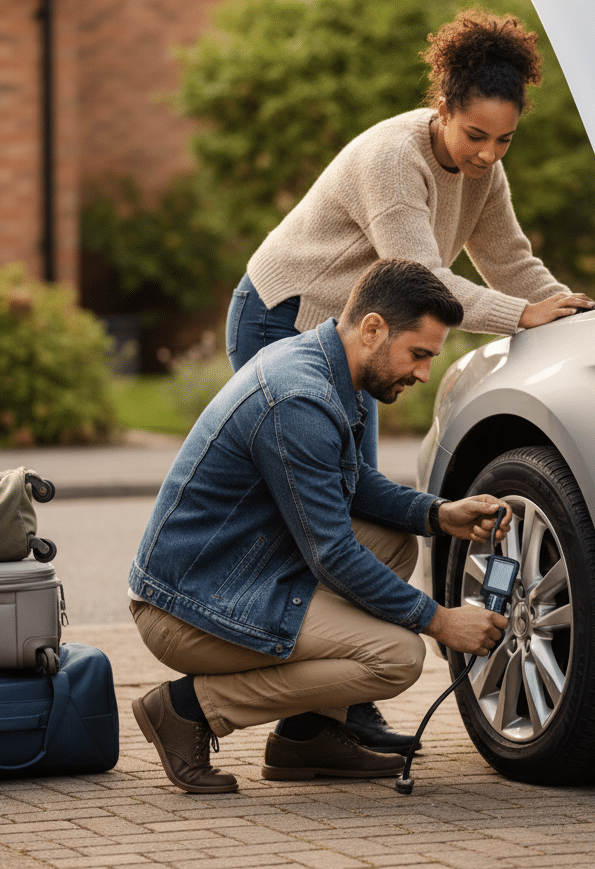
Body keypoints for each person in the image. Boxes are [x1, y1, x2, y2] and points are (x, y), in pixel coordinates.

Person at [226, 10, 593, 750]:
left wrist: (575, 313)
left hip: (361, 330)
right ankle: (323, 710)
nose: (489, 153)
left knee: (357, 505)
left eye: (504, 139)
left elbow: (511, 264)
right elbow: (422, 280)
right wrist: (522, 317)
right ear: (444, 109)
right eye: (476, 136)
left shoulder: (486, 172)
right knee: (326, 513)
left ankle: (321, 719)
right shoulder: (393, 158)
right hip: (287, 316)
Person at [129, 260, 512, 794]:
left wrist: (438, 513)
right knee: (398, 658)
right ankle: (187, 709)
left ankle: (309, 736)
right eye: (419, 354)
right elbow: (332, 552)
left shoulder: (334, 366)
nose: (423, 373)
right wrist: (441, 622)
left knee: (394, 544)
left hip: (246, 571)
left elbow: (356, 487)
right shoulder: (298, 400)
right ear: (373, 329)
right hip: (191, 607)